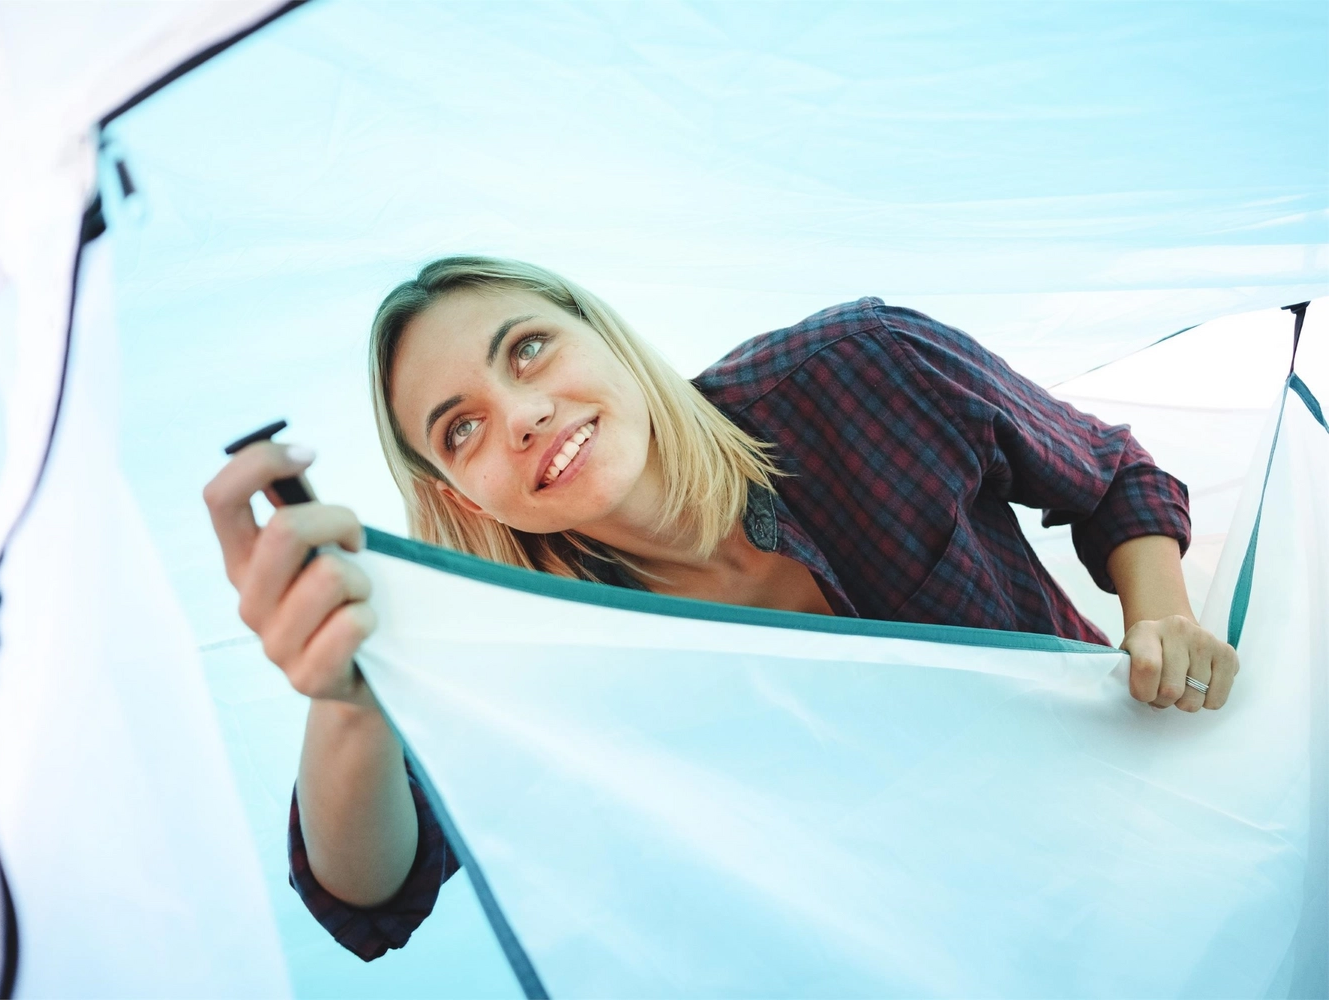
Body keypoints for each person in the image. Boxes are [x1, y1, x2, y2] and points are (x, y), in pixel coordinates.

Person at [202, 256, 1238, 961]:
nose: (519, 417)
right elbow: (373, 901)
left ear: (603, 334)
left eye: (526, 350)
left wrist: (1163, 616)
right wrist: (346, 700)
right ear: (456, 494)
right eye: (460, 429)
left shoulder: (864, 368)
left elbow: (1109, 477)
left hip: (1131, 847)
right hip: (913, 955)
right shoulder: (526, 643)